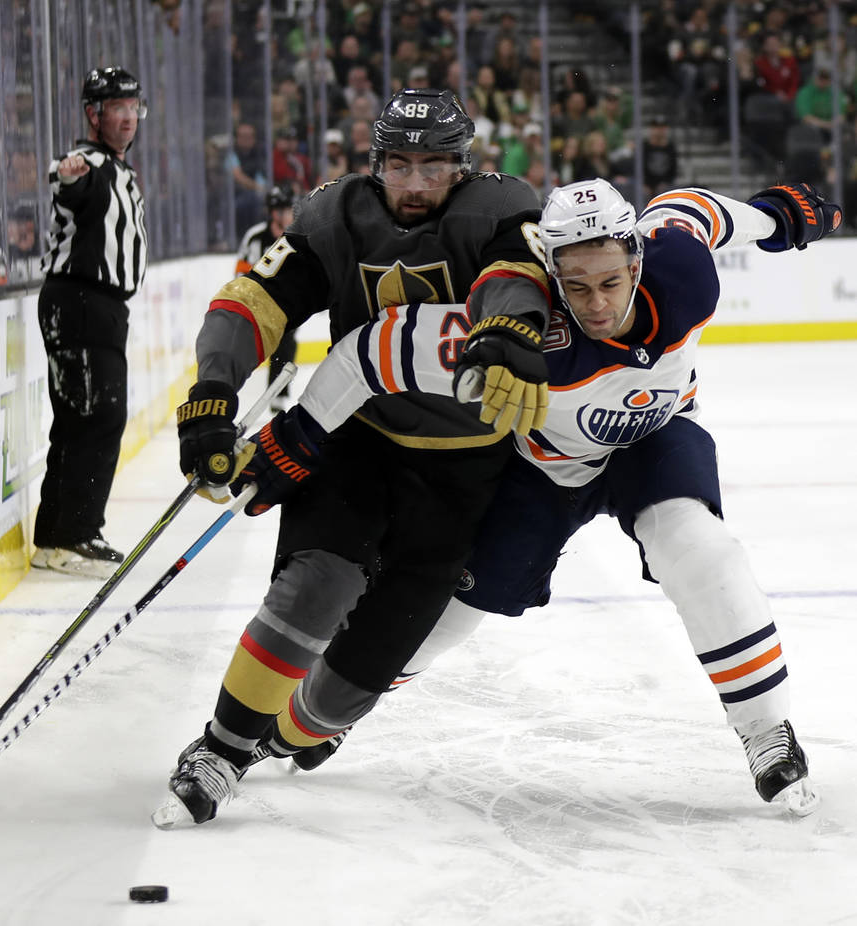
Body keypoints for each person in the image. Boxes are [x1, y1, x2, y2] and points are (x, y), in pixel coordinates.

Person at [286, 178, 842, 815]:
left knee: (700, 550)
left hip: (655, 441)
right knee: (450, 616)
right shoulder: (516, 328)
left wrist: (776, 218)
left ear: (638, 258)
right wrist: (300, 430)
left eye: (611, 281)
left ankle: (766, 731)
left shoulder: (682, 267)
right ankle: (328, 705)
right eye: (575, 287)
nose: (597, 305)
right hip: (543, 472)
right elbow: (372, 351)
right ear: (548, 273)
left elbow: (698, 210)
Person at [157, 88, 551, 827]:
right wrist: (212, 391)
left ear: (463, 169)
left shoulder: (499, 209)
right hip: (356, 440)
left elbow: (517, 280)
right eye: (398, 165)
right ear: (375, 165)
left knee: (347, 690)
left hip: (462, 474)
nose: (414, 184)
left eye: (434, 167)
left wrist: (506, 326)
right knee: (313, 591)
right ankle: (222, 746)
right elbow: (253, 300)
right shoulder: (335, 214)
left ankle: (284, 732)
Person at [30, 66, 148, 579]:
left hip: (93, 306)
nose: (127, 118)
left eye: (132, 108)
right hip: (81, 301)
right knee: (100, 416)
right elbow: (69, 179)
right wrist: (68, 173)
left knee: (80, 418)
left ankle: (54, 538)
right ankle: (76, 534)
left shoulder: (121, 170)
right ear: (93, 115)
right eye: (116, 109)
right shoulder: (93, 163)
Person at [233, 184, 299, 413]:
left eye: (289, 208)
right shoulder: (255, 238)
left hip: (285, 306)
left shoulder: (298, 236)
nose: (286, 214)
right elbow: (241, 271)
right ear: (273, 213)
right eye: (281, 209)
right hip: (256, 305)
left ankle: (278, 395)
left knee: (286, 344)